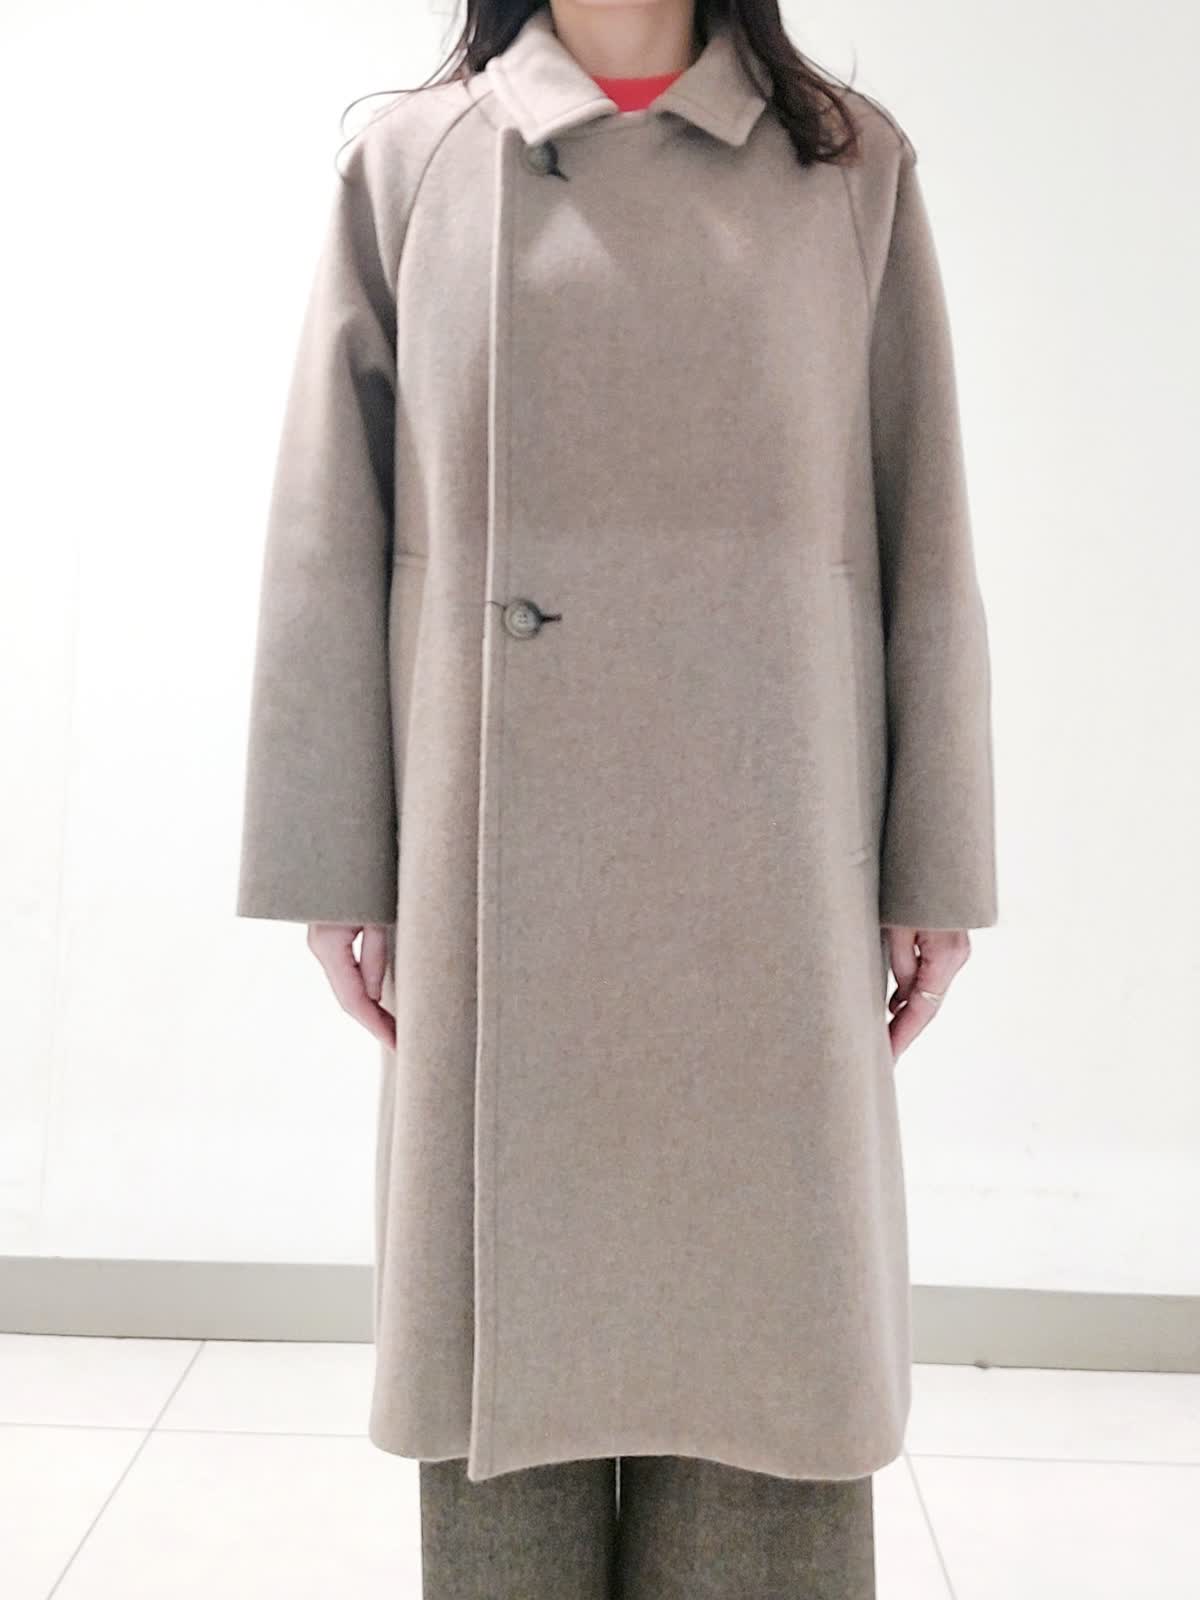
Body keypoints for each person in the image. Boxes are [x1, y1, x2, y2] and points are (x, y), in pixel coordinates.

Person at [235, 1, 999, 1594]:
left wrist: (937, 859)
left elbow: (922, 526)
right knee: (507, 1439)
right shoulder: (414, 164)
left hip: (772, 864)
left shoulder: (845, 168)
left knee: (769, 1382)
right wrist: (332, 859)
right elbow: (326, 532)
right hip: (493, 871)